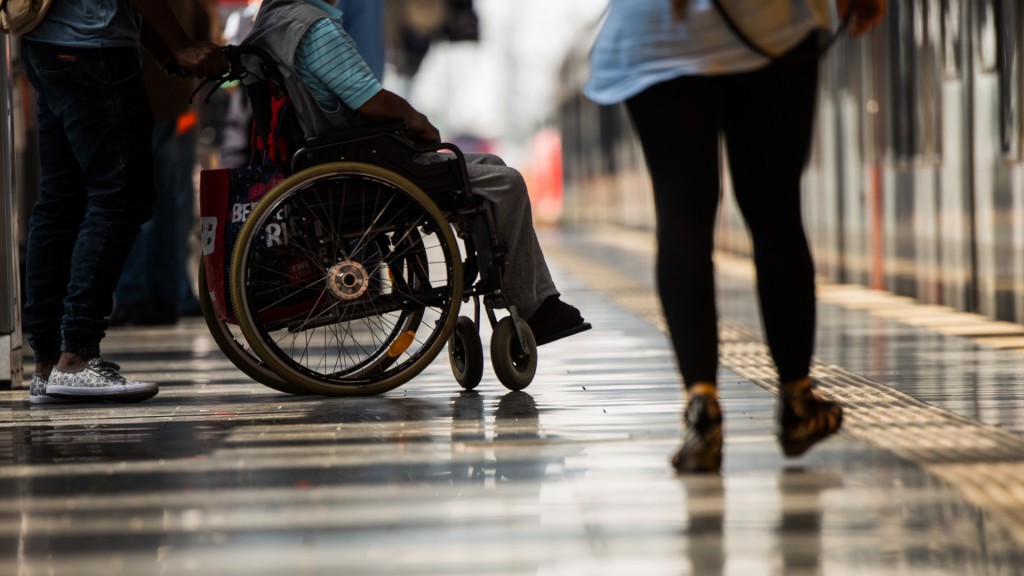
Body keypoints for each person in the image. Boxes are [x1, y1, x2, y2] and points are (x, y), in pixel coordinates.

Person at [584, 0, 886, 473]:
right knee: (775, 212)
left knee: (682, 214)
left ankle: (701, 408)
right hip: (768, 24)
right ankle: (798, 404)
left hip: (655, 32)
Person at [241, 0, 590, 345]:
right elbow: (371, 101)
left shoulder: (272, 22)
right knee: (507, 182)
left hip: (330, 160)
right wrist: (418, 122)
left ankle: (527, 294)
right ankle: (532, 307)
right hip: (364, 162)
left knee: (492, 169)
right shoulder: (314, 29)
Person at [22, 0, 228, 404]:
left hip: (48, 45)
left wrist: (165, 50)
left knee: (60, 202)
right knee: (120, 197)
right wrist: (180, 43)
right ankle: (77, 355)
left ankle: (47, 365)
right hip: (93, 51)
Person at [111, 0, 212, 326]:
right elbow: (200, 26)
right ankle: (171, 292)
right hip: (174, 96)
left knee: (131, 198)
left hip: (131, 92)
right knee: (172, 202)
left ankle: (134, 292)